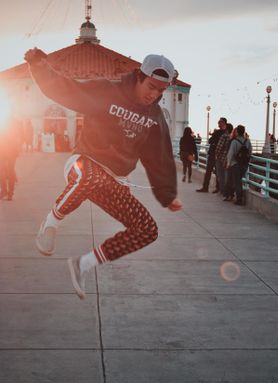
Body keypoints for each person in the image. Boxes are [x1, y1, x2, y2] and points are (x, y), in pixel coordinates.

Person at [24, 48, 182, 299]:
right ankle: (51, 223)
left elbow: (159, 156)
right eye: (151, 87)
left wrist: (167, 194)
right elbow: (68, 89)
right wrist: (39, 66)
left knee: (147, 229)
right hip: (83, 164)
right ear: (140, 77)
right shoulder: (109, 91)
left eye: (160, 92)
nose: (154, 96)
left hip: (114, 181)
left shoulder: (154, 116)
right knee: (91, 175)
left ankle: (83, 264)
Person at [196, 117, 227, 193]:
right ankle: (213, 187)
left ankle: (212, 187)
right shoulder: (221, 132)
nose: (219, 123)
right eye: (218, 122)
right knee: (214, 171)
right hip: (215, 154)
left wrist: (213, 139)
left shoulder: (220, 132)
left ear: (224, 123)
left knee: (215, 172)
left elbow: (211, 140)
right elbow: (210, 141)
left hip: (216, 154)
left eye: (220, 122)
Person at [224, 125, 252, 205]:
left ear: (237, 131)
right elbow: (250, 152)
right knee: (238, 180)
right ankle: (235, 196)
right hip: (244, 164)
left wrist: (228, 163)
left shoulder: (234, 141)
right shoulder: (247, 141)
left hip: (235, 164)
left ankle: (239, 199)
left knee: (237, 182)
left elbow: (230, 153)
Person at [0, 113, 22, 201]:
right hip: (2, 150)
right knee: (1, 171)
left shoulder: (15, 123)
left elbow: (18, 137)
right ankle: (4, 190)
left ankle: (10, 193)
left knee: (10, 171)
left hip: (11, 151)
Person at [215, 122, 233, 197]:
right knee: (227, 176)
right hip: (228, 159)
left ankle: (223, 191)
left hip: (221, 158)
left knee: (220, 175)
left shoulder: (224, 136)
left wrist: (216, 155)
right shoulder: (231, 137)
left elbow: (219, 147)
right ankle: (227, 192)